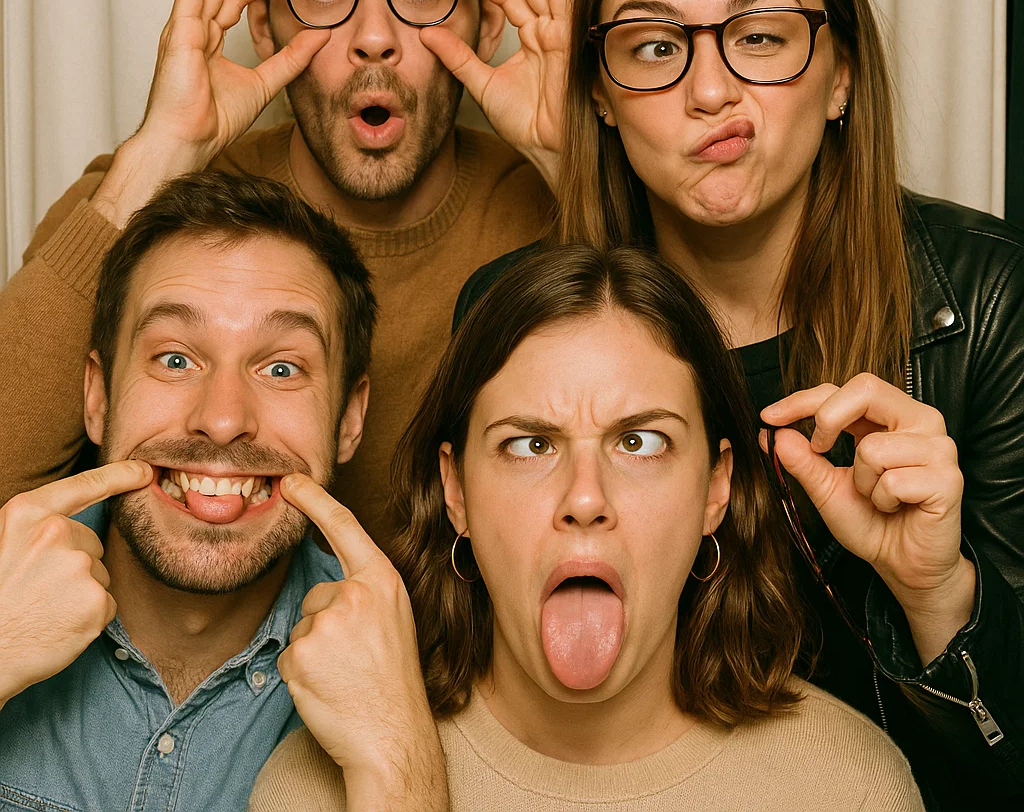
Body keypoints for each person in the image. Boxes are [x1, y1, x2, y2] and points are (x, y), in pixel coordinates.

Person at [447, 0, 1024, 807]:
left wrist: (938, 597)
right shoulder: (513, 313)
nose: (710, 90)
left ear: (840, 77)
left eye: (760, 36)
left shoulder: (987, 301)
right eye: (653, 48)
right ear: (598, 92)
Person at [0, 0, 552, 548]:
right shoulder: (142, 206)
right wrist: (165, 148)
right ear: (264, 25)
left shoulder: (558, 204)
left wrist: (571, 157)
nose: (375, 38)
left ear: (487, 22)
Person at [248, 244, 923, 811]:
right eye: (530, 445)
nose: (585, 498)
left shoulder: (845, 788)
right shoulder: (322, 785)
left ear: (716, 489)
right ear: (456, 492)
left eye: (640, 443)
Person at [0, 172, 443, 810]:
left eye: (282, 367)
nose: (225, 418)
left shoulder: (412, 667)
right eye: (176, 358)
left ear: (349, 419)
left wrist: (395, 752)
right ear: (96, 398)